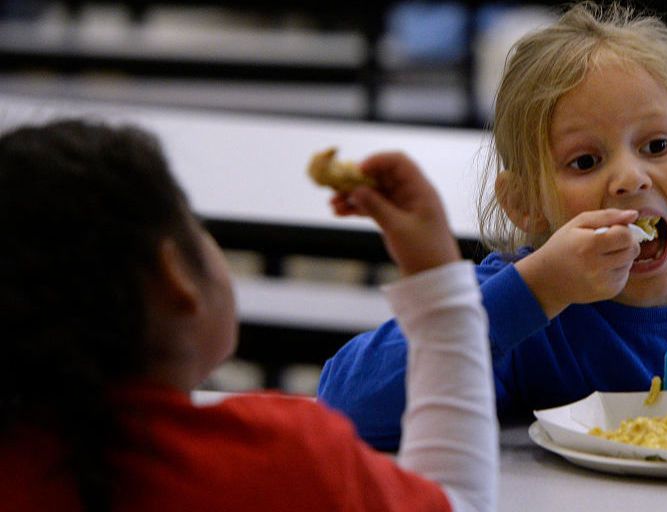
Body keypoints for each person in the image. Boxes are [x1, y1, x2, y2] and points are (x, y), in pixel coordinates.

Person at [319, 1, 667, 451]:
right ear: (525, 204)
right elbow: (346, 406)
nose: (630, 178)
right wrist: (537, 289)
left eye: (657, 146)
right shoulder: (524, 310)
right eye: (585, 162)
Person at [0, 119, 497, 512]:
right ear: (176, 276)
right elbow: (458, 503)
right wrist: (436, 275)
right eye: (196, 226)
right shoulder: (281, 463)